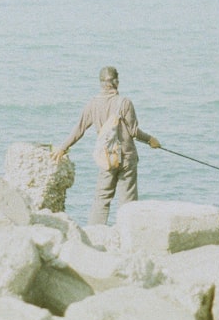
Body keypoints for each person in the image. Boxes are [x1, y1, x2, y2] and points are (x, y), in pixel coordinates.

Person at [52, 66, 161, 225]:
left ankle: (95, 233)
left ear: (101, 83)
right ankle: (126, 233)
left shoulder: (93, 104)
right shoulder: (125, 103)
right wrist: (151, 139)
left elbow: (79, 128)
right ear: (116, 81)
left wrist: (62, 148)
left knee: (102, 198)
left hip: (107, 158)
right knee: (127, 200)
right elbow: (134, 131)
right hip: (127, 157)